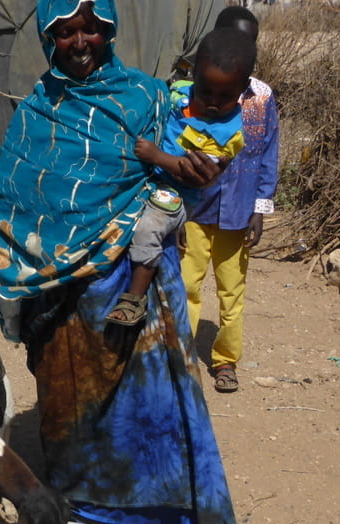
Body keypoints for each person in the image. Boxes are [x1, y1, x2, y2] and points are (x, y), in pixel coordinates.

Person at [0, 0, 245, 524]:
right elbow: (4, 203)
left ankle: (157, 521)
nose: (80, 41)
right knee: (71, 407)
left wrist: (200, 179)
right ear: (49, 39)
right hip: (62, 302)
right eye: (65, 32)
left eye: (90, 28)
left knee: (145, 411)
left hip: (132, 293)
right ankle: (82, 511)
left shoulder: (146, 97)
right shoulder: (37, 111)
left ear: (108, 30)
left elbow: (186, 175)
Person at [106, 26, 257, 327]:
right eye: (205, 91)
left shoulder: (229, 132)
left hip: (177, 193)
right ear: (194, 76)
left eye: (224, 97)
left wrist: (157, 156)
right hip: (148, 180)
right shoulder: (180, 94)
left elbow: (197, 172)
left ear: (243, 91)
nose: (212, 102)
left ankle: (134, 297)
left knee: (149, 227)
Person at [181, 5, 280, 393]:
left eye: (248, 42)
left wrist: (261, 208)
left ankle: (225, 361)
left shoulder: (262, 97)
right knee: (186, 286)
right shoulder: (192, 93)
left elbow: (268, 152)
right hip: (194, 207)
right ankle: (183, 358)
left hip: (238, 210)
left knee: (231, 291)